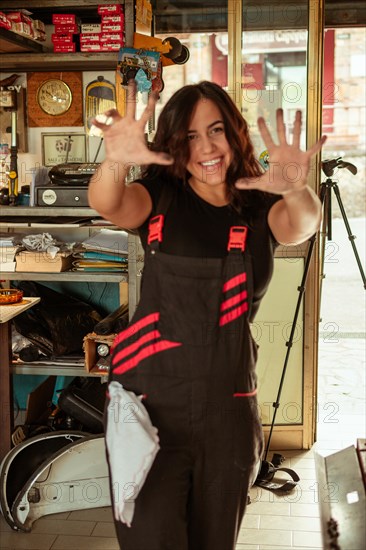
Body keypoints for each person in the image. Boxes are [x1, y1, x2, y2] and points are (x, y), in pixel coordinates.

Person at [88, 80, 325, 550]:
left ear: (235, 133)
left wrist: (298, 188)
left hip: (228, 413)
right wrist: (115, 157)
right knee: (150, 540)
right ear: (175, 145)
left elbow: (303, 222)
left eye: (216, 130)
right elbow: (108, 202)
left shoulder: (260, 206)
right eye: (191, 137)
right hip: (149, 413)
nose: (206, 147)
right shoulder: (159, 197)